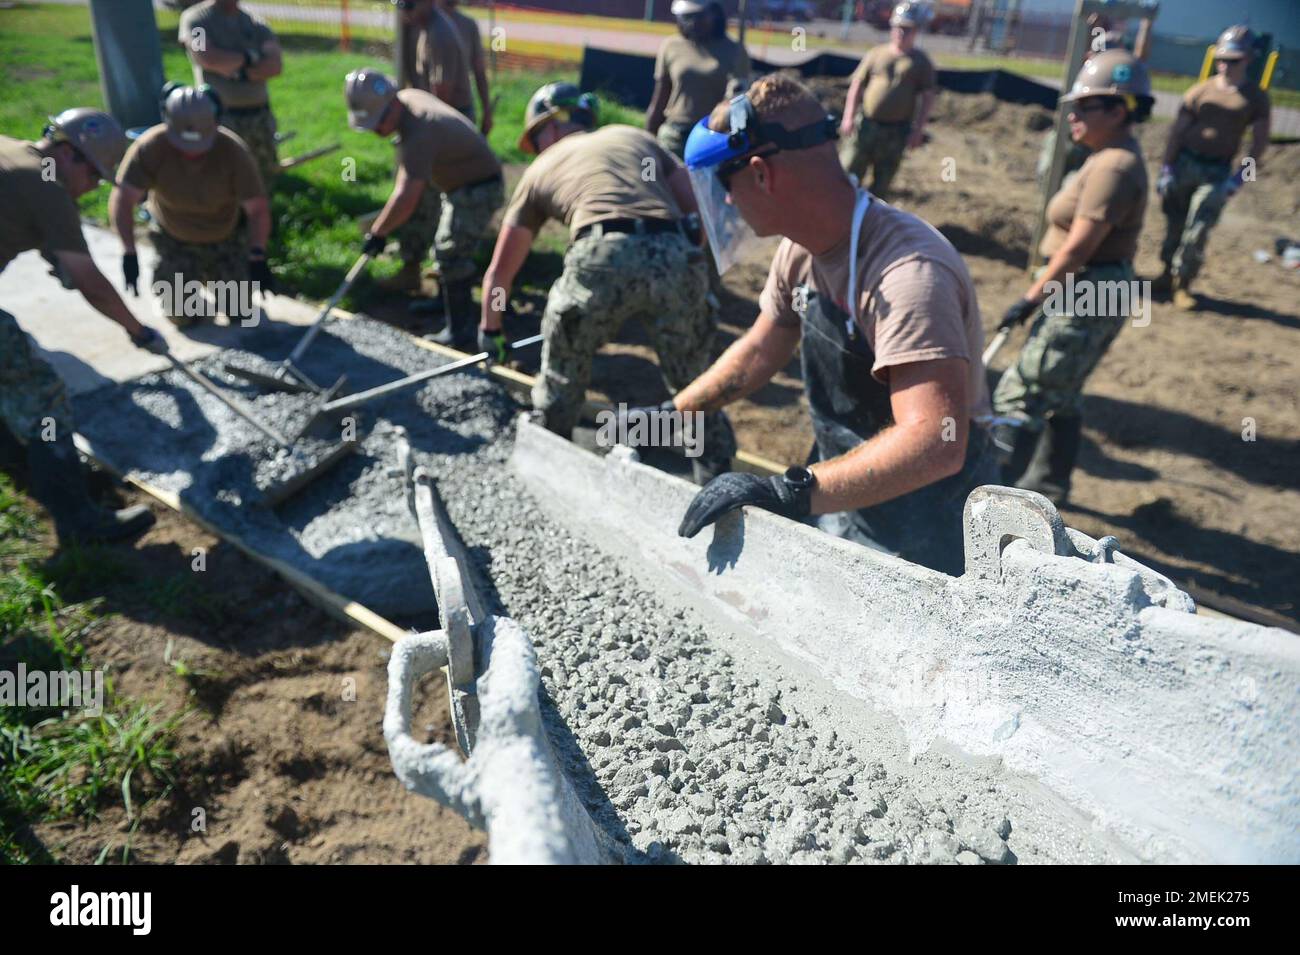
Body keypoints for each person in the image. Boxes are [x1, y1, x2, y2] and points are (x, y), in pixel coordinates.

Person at [674, 74, 998, 576]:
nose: (728, 203)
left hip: (927, 523)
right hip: (847, 488)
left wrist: (788, 491)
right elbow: (761, 350)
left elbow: (936, 441)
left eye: (725, 184)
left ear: (761, 174)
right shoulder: (799, 251)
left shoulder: (907, 275)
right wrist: (676, 413)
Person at [479, 82, 735, 482]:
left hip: (599, 256)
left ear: (549, 127)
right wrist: (681, 267)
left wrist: (490, 329)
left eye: (537, 136)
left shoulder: (539, 170)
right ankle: (717, 478)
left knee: (563, 374)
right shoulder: (633, 136)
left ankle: (549, 467)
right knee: (695, 378)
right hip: (673, 253)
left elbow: (500, 273)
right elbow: (699, 205)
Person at [991, 50, 1153, 505]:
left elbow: (1080, 246)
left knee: (1020, 394)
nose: (1073, 115)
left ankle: (995, 505)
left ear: (1119, 110)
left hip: (1088, 289)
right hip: (1089, 287)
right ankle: (1048, 482)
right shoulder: (1105, 157)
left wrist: (1030, 296)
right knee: (1062, 390)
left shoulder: (1114, 166)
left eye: (1086, 106)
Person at [1, 109, 161, 544]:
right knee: (42, 395)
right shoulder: (47, 186)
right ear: (70, 153)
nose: (92, 188)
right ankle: (80, 524)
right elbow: (90, 280)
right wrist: (138, 330)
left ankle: (31, 466)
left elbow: (46, 246)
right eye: (95, 176)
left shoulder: (12, 152)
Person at [345, 68, 503, 348]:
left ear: (391, 105)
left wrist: (378, 234)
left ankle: (460, 330)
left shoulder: (420, 131)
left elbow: (406, 196)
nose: (378, 131)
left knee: (451, 251)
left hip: (479, 188)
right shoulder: (407, 99)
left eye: (378, 123)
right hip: (456, 181)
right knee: (442, 244)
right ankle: (444, 303)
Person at [109, 85, 272, 329]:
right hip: (175, 239)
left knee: (241, 313)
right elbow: (123, 200)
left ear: (216, 123)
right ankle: (188, 289)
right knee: (181, 316)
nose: (191, 153)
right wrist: (129, 252)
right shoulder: (150, 147)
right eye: (183, 146)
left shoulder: (233, 151)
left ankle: (222, 282)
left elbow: (257, 209)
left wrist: (257, 255)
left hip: (225, 238)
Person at [1156, 24, 1270, 310]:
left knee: (1199, 228)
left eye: (1233, 61)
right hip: (1185, 163)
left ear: (1248, 60)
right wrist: (1166, 168)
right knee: (1175, 223)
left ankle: (1183, 284)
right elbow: (1177, 132)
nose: (1225, 66)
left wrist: (1240, 180)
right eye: (1222, 59)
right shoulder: (1200, 91)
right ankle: (1165, 274)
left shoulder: (1255, 99)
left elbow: (1258, 145)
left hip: (1216, 171)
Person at [178, 0, 284, 186]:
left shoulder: (256, 22)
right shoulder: (196, 20)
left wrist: (236, 70)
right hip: (221, 117)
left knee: (263, 177)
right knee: (223, 177)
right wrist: (251, 58)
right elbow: (206, 57)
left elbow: (274, 65)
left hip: (259, 115)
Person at [839, 0, 936, 198]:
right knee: (847, 174)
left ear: (915, 31)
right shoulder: (877, 54)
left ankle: (870, 223)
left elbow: (927, 98)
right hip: (866, 126)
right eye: (898, 28)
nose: (901, 33)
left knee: (882, 184)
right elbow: (857, 85)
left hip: (895, 132)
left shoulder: (921, 62)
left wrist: (918, 130)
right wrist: (848, 117)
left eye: (907, 29)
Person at [646, 0, 750, 159]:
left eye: (699, 16)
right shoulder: (671, 46)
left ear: (714, 13)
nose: (693, 22)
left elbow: (741, 101)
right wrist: (648, 139)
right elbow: (660, 97)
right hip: (673, 136)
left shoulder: (734, 50)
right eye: (686, 17)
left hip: (712, 136)